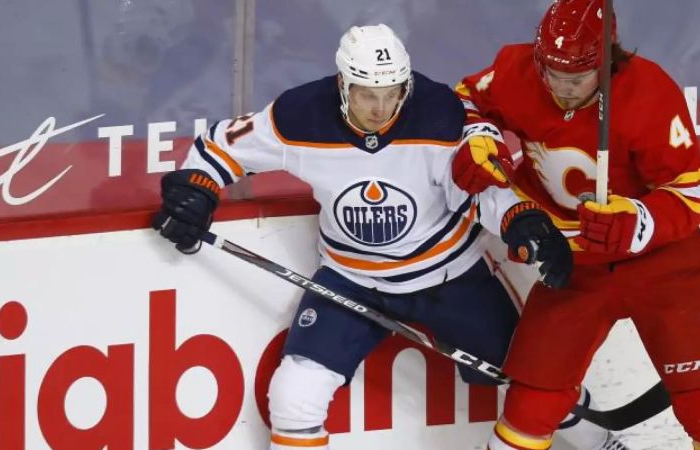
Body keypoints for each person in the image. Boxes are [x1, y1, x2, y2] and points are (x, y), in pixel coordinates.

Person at [151, 24, 576, 450]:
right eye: (367, 94)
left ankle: (603, 442)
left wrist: (519, 219)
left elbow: (479, 186)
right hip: (350, 279)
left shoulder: (440, 114)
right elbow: (219, 146)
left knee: (539, 385)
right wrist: (196, 188)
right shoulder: (302, 115)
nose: (381, 107)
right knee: (293, 397)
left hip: (451, 279)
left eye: (393, 92)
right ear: (342, 84)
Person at [451, 1, 700, 449]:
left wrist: (637, 221)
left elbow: (688, 198)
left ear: (608, 61)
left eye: (575, 79)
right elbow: (463, 100)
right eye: (550, 73)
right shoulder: (515, 71)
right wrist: (478, 136)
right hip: (573, 261)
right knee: (531, 403)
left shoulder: (651, 95)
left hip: (662, 263)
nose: (560, 87)